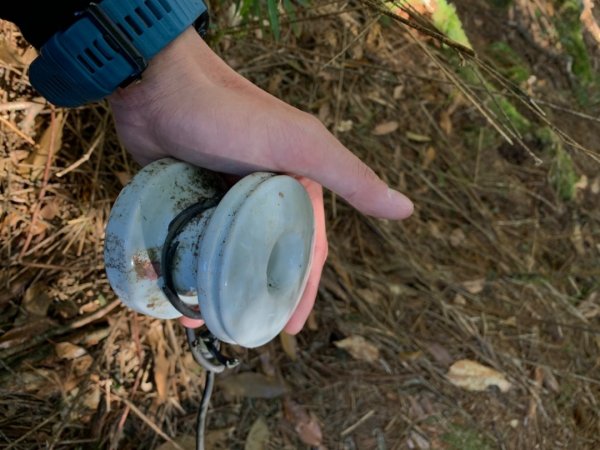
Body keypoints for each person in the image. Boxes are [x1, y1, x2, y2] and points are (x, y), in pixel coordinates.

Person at [1, 1, 413, 334]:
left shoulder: (152, 272)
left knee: (149, 268)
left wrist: (157, 53)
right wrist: (163, 59)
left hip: (155, 246)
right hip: (161, 229)